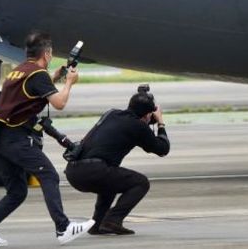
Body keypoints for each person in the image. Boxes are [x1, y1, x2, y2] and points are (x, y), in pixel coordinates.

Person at [0, 33, 93, 247]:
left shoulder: (18, 71)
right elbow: (59, 104)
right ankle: (63, 228)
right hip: (15, 139)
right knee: (49, 175)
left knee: (17, 192)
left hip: (0, 140)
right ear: (46, 54)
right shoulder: (38, 74)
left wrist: (54, 78)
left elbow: (26, 95)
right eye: (51, 53)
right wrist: (69, 83)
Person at [63, 90, 170, 235]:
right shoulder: (138, 126)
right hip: (94, 170)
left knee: (110, 183)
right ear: (147, 114)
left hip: (73, 171)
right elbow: (163, 149)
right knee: (141, 183)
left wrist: (148, 117)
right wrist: (161, 123)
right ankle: (112, 220)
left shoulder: (111, 113)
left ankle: (97, 224)